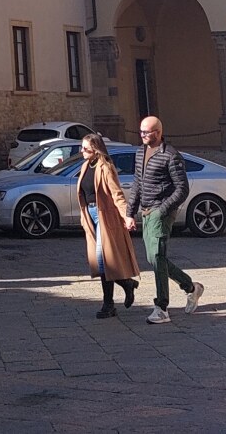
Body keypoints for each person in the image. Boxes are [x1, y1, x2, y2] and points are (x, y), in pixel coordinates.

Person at [126, 115, 204, 324]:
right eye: (140, 131)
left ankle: (161, 307)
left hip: (161, 213)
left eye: (146, 132)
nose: (142, 135)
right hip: (146, 212)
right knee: (154, 259)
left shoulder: (170, 155)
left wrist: (163, 209)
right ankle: (190, 287)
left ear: (158, 133)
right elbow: (137, 184)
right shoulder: (140, 152)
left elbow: (182, 188)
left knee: (158, 257)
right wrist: (129, 213)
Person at [74, 132, 141, 318]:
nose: (82, 151)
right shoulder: (86, 165)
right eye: (82, 148)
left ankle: (109, 304)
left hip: (105, 217)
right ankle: (127, 284)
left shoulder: (106, 167)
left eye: (86, 149)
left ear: (95, 149)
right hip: (90, 216)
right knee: (101, 263)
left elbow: (117, 194)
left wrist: (127, 216)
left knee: (103, 260)